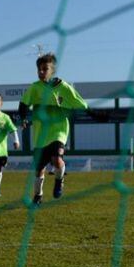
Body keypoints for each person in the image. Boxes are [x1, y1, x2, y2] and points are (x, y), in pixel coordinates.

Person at [19, 53, 88, 205]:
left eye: (45, 69)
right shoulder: (35, 88)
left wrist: (66, 109)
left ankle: (59, 180)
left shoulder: (63, 87)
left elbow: (81, 104)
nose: (41, 72)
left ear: (53, 71)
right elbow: (23, 104)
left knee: (57, 159)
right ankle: (38, 195)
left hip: (59, 131)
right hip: (40, 135)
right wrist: (23, 117)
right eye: (39, 69)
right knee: (38, 170)